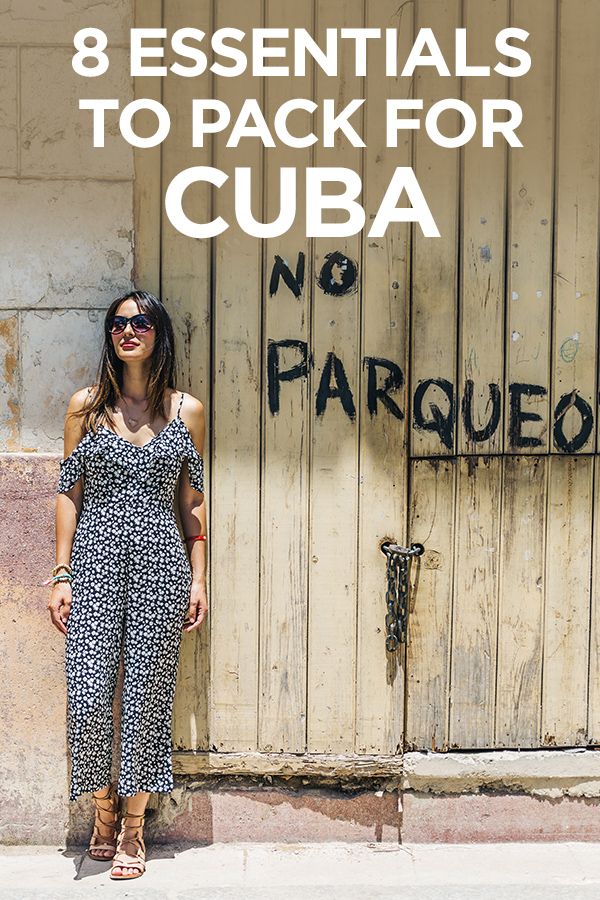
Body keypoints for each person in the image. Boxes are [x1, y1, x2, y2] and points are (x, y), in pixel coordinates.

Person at [46, 289, 208, 880]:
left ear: (159, 334)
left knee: (146, 699)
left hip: (161, 566)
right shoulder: (85, 407)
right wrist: (61, 572)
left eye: (141, 323)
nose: (129, 331)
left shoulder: (185, 410)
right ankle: (103, 811)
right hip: (92, 565)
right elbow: (69, 492)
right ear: (109, 336)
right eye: (119, 324)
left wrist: (198, 578)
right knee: (89, 694)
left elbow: (192, 501)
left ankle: (135, 830)